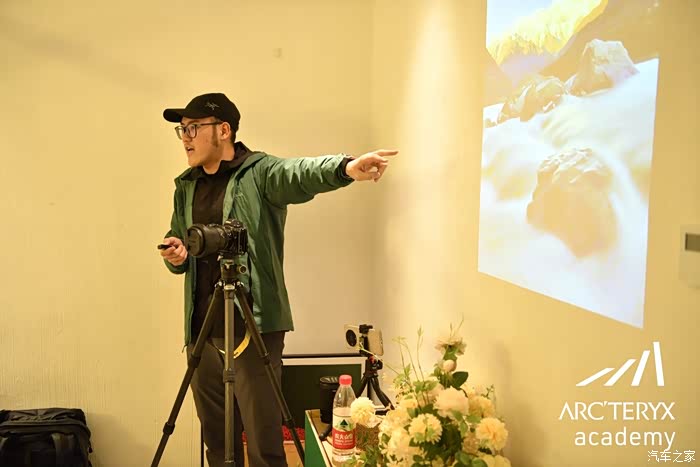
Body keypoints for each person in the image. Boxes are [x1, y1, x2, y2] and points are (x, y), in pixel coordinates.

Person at [158, 92, 397, 467]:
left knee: (263, 442)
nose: (185, 138)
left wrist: (345, 168)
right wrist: (178, 253)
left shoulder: (260, 173)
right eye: (182, 130)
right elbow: (181, 241)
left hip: (253, 327)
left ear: (224, 130)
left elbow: (299, 173)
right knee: (216, 443)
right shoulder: (186, 185)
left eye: (193, 128)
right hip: (202, 330)